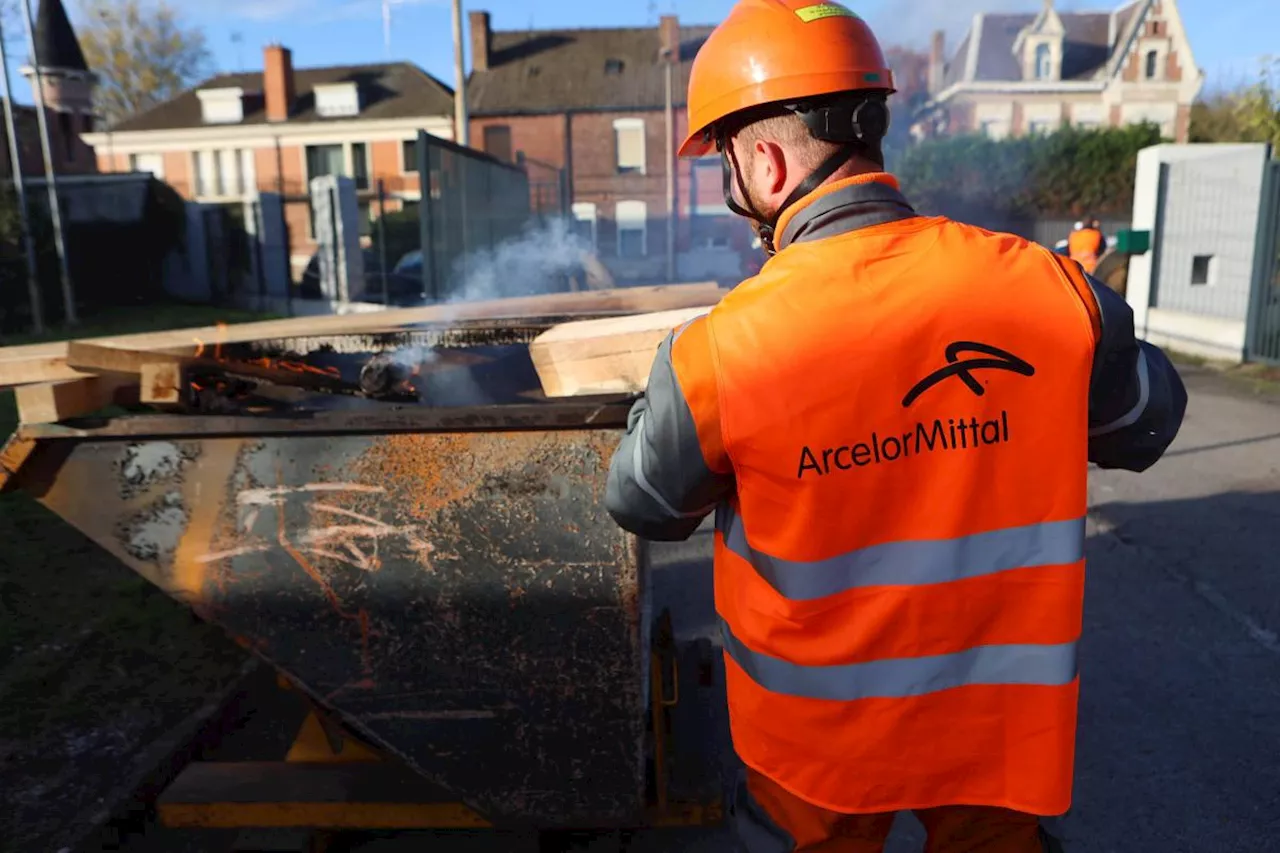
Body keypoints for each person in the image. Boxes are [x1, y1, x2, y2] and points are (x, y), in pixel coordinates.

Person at [603, 1, 1188, 851]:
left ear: (765, 164)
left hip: (814, 758)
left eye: (725, 164)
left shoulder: (722, 349)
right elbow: (1149, 421)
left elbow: (643, 500)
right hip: (998, 737)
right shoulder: (1046, 293)